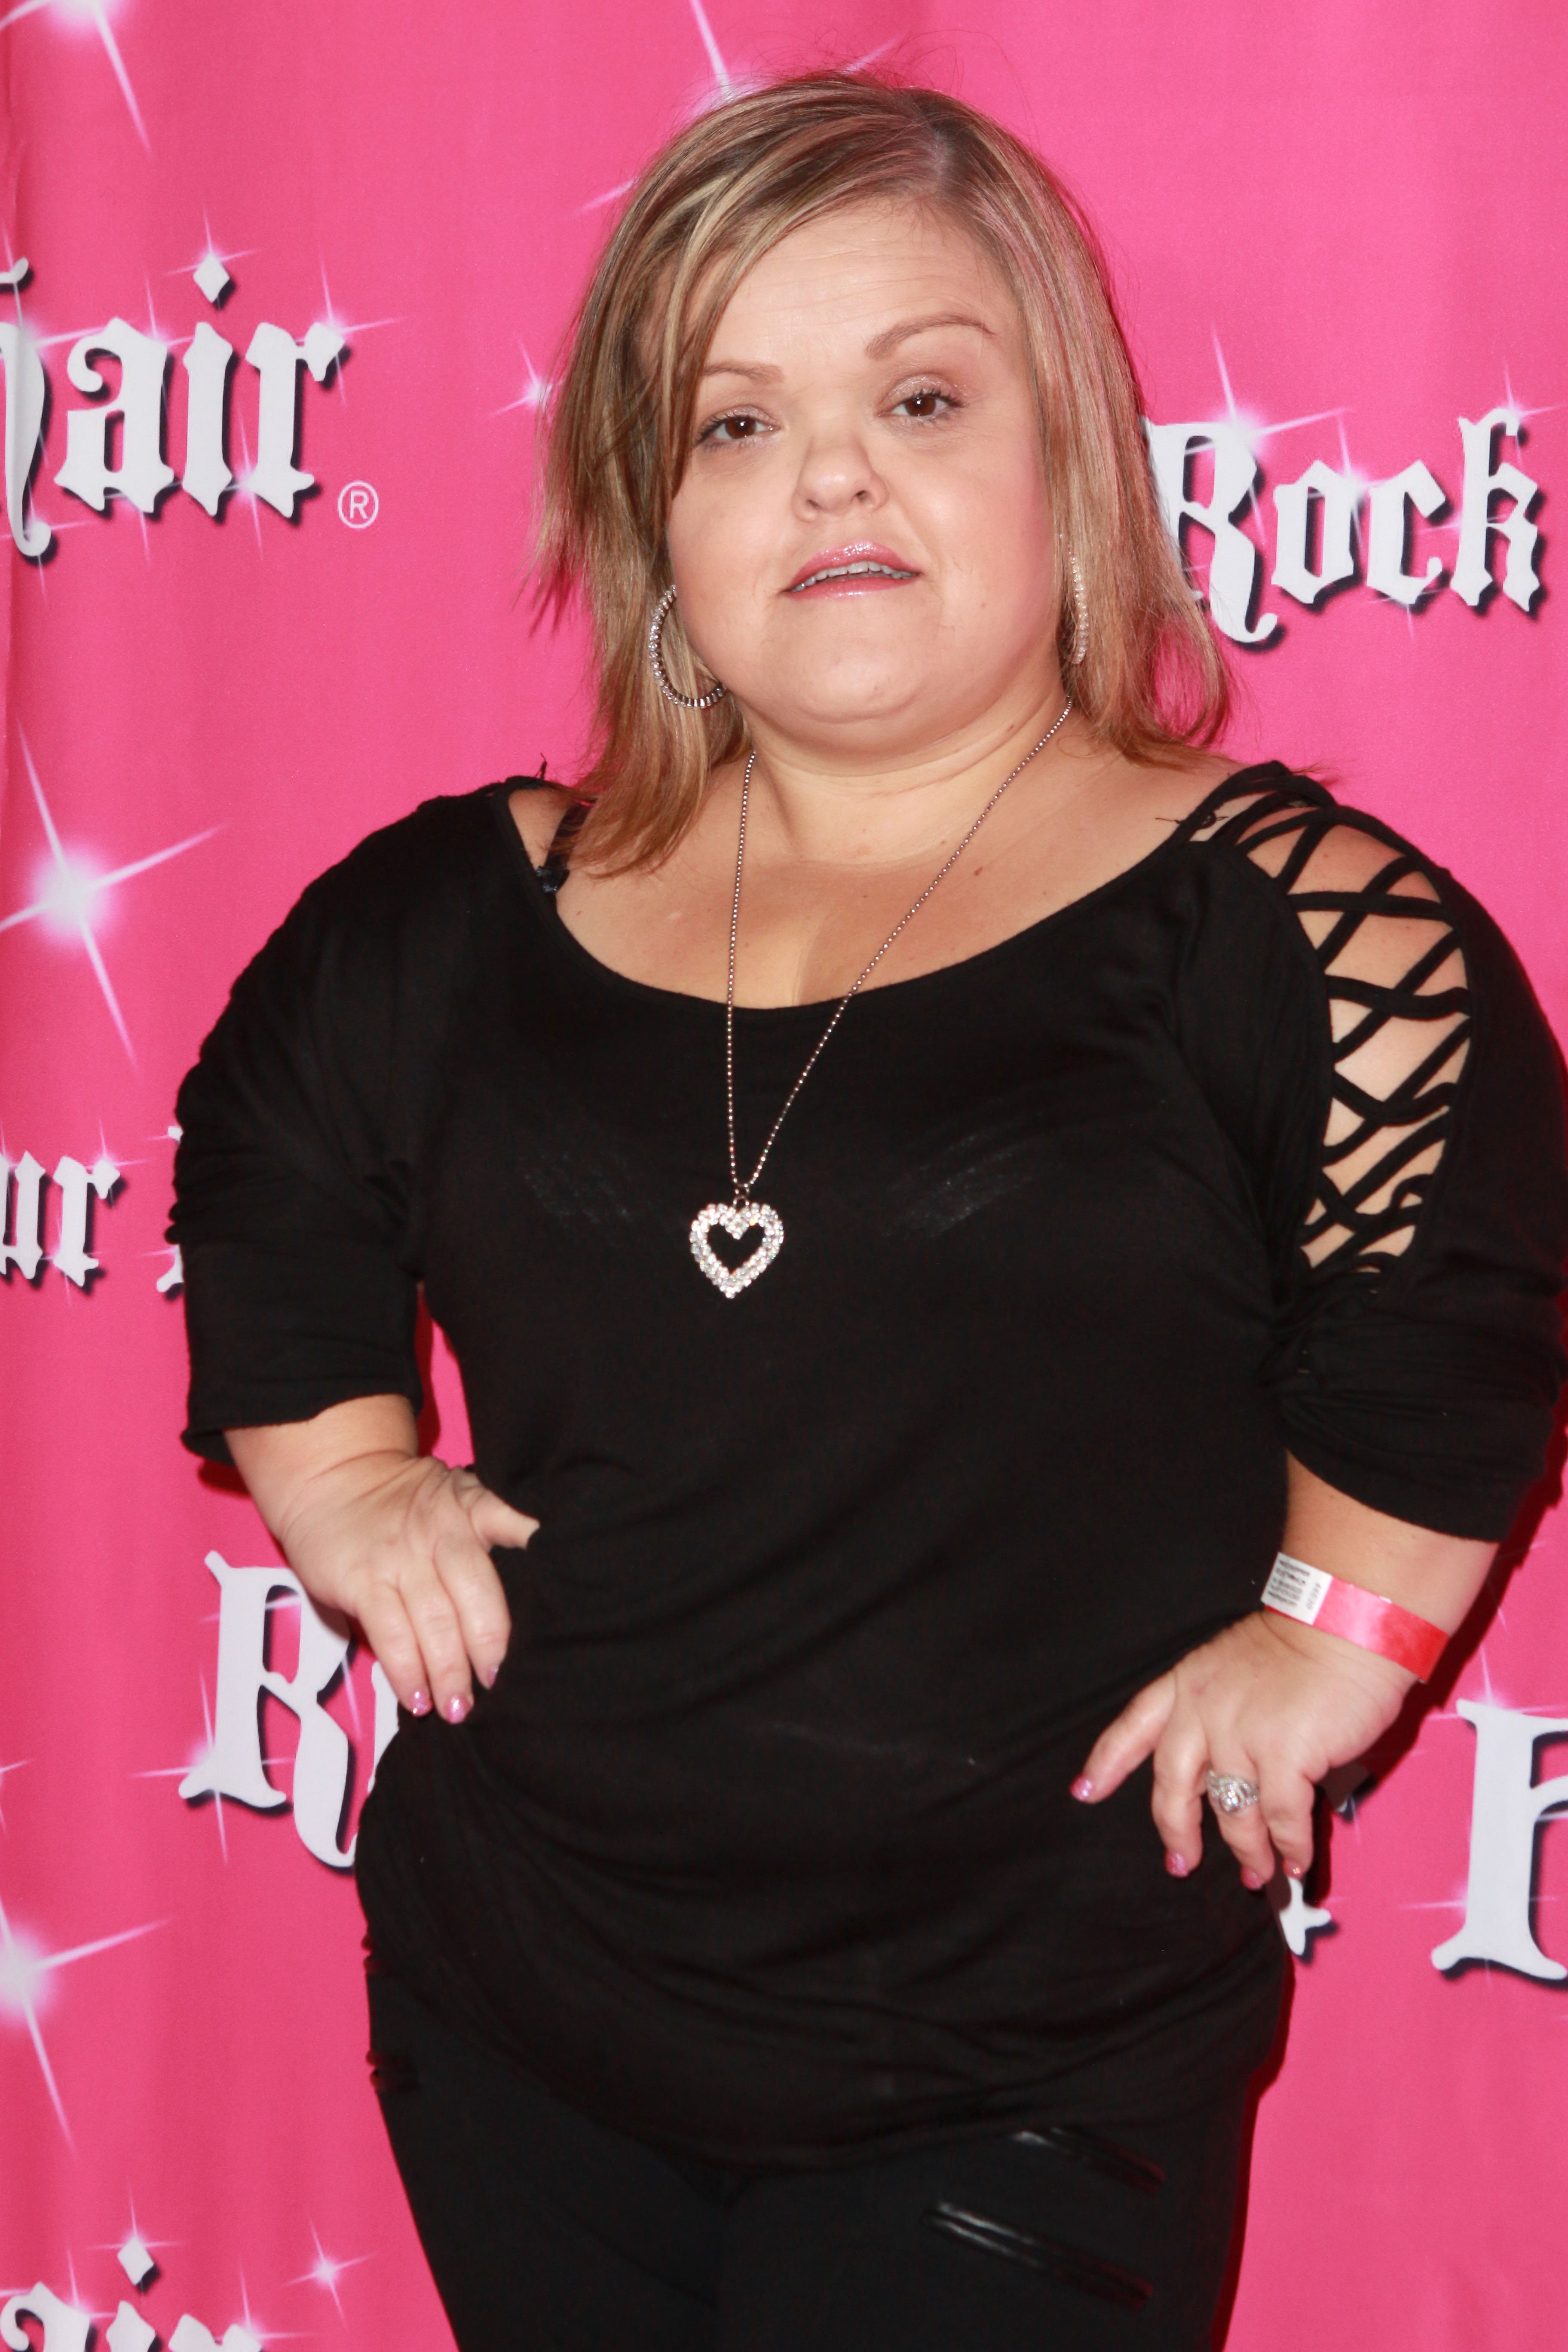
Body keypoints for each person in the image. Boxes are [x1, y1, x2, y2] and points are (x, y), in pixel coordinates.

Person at [169, 72, 1568, 2352]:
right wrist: (345, 1481)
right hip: (518, 2018)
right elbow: (264, 1155)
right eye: (734, 425)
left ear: (1071, 468)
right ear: (656, 528)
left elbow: (1458, 1305)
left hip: (1021, 2075)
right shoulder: (456, 912)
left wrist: (1336, 1645)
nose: (828, 472)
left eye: (920, 394)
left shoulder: (1306, 924)